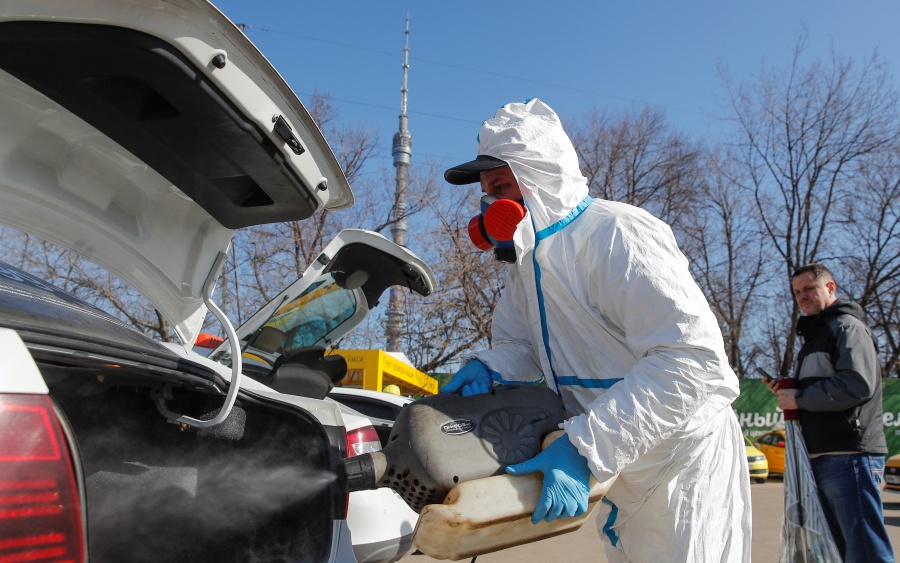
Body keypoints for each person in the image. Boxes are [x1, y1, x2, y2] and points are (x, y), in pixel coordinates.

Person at [440, 99, 751, 562]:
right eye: (486, 193)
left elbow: (690, 360)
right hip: (620, 464)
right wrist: (489, 365)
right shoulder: (525, 267)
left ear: (541, 177)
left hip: (682, 462)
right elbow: (523, 345)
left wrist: (587, 447)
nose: (489, 206)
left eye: (501, 186)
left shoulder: (618, 236)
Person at [768, 263, 893, 562]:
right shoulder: (815, 336)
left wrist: (799, 397)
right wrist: (788, 389)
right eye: (797, 292)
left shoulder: (847, 327)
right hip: (825, 456)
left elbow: (857, 383)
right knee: (841, 550)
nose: (802, 296)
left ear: (831, 288)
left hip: (850, 455)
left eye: (809, 288)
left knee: (865, 551)